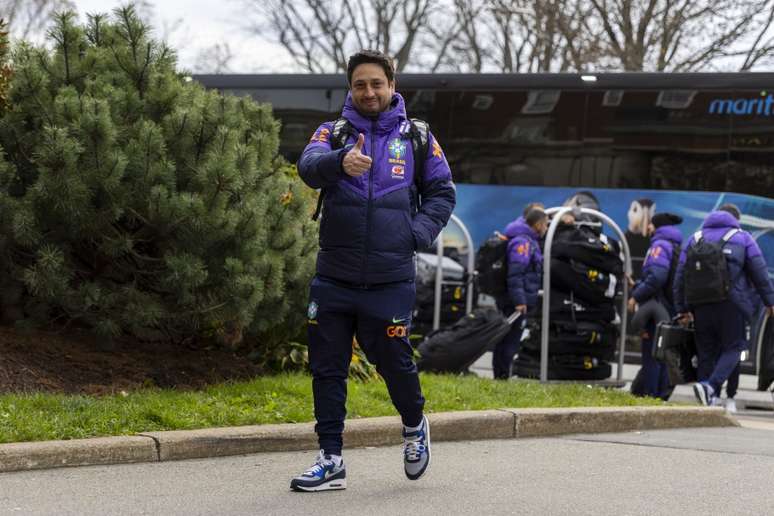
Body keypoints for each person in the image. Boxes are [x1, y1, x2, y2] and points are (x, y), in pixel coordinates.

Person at [292, 50, 455, 491]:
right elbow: (307, 167)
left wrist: (414, 235)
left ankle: (414, 425)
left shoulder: (417, 136)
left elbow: (442, 193)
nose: (368, 92)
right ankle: (330, 459)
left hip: (390, 279)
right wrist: (338, 161)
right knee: (327, 369)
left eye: (376, 84)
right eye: (360, 84)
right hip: (334, 277)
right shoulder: (333, 131)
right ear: (351, 88)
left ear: (391, 86)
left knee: (395, 363)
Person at [674, 204, 774, 406]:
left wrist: (682, 309)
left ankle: (707, 399)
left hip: (700, 305)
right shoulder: (743, 238)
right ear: (735, 219)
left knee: (706, 352)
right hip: (732, 304)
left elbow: (679, 278)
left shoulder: (695, 238)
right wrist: (770, 302)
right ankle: (711, 387)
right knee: (734, 347)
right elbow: (760, 273)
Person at [628, 212, 683, 400]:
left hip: (656, 311)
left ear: (657, 227)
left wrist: (636, 295)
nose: (648, 228)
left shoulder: (659, 246)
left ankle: (650, 396)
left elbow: (657, 278)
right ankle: (659, 396)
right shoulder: (676, 246)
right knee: (663, 355)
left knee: (652, 355)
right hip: (670, 310)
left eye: (651, 224)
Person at [492, 207, 548, 379]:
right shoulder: (523, 243)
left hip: (515, 299)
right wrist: (520, 301)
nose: (546, 228)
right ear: (538, 225)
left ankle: (501, 375)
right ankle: (501, 377)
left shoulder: (525, 240)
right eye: (546, 224)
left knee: (506, 338)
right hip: (514, 302)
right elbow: (516, 274)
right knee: (509, 340)